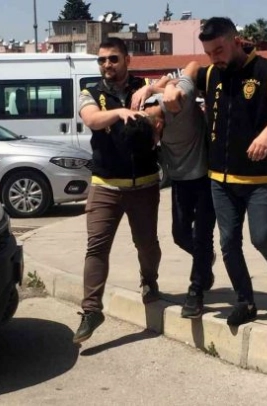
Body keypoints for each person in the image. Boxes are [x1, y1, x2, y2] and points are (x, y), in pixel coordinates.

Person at [163, 17, 267, 326]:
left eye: (219, 50)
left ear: (236, 41)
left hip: (259, 178)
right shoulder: (211, 73)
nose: (214, 58)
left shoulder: (266, 71)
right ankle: (245, 301)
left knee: (261, 237)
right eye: (209, 53)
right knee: (228, 243)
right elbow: (189, 70)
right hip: (220, 179)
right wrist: (166, 86)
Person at [73, 37, 162, 344]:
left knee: (146, 244)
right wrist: (120, 113)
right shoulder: (90, 92)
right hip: (105, 186)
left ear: (127, 60)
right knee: (96, 247)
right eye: (102, 60)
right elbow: (92, 119)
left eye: (113, 58)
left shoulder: (144, 86)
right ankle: (91, 310)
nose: (107, 64)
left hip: (144, 185)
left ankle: (149, 281)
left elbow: (169, 97)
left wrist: (152, 96)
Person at [140, 61, 217, 319]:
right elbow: (159, 84)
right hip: (180, 180)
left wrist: (170, 87)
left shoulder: (178, 102)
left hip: (206, 177)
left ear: (157, 127)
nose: (156, 146)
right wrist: (155, 86)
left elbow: (193, 65)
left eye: (154, 142)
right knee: (180, 235)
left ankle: (196, 292)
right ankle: (205, 261)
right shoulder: (141, 111)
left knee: (203, 236)